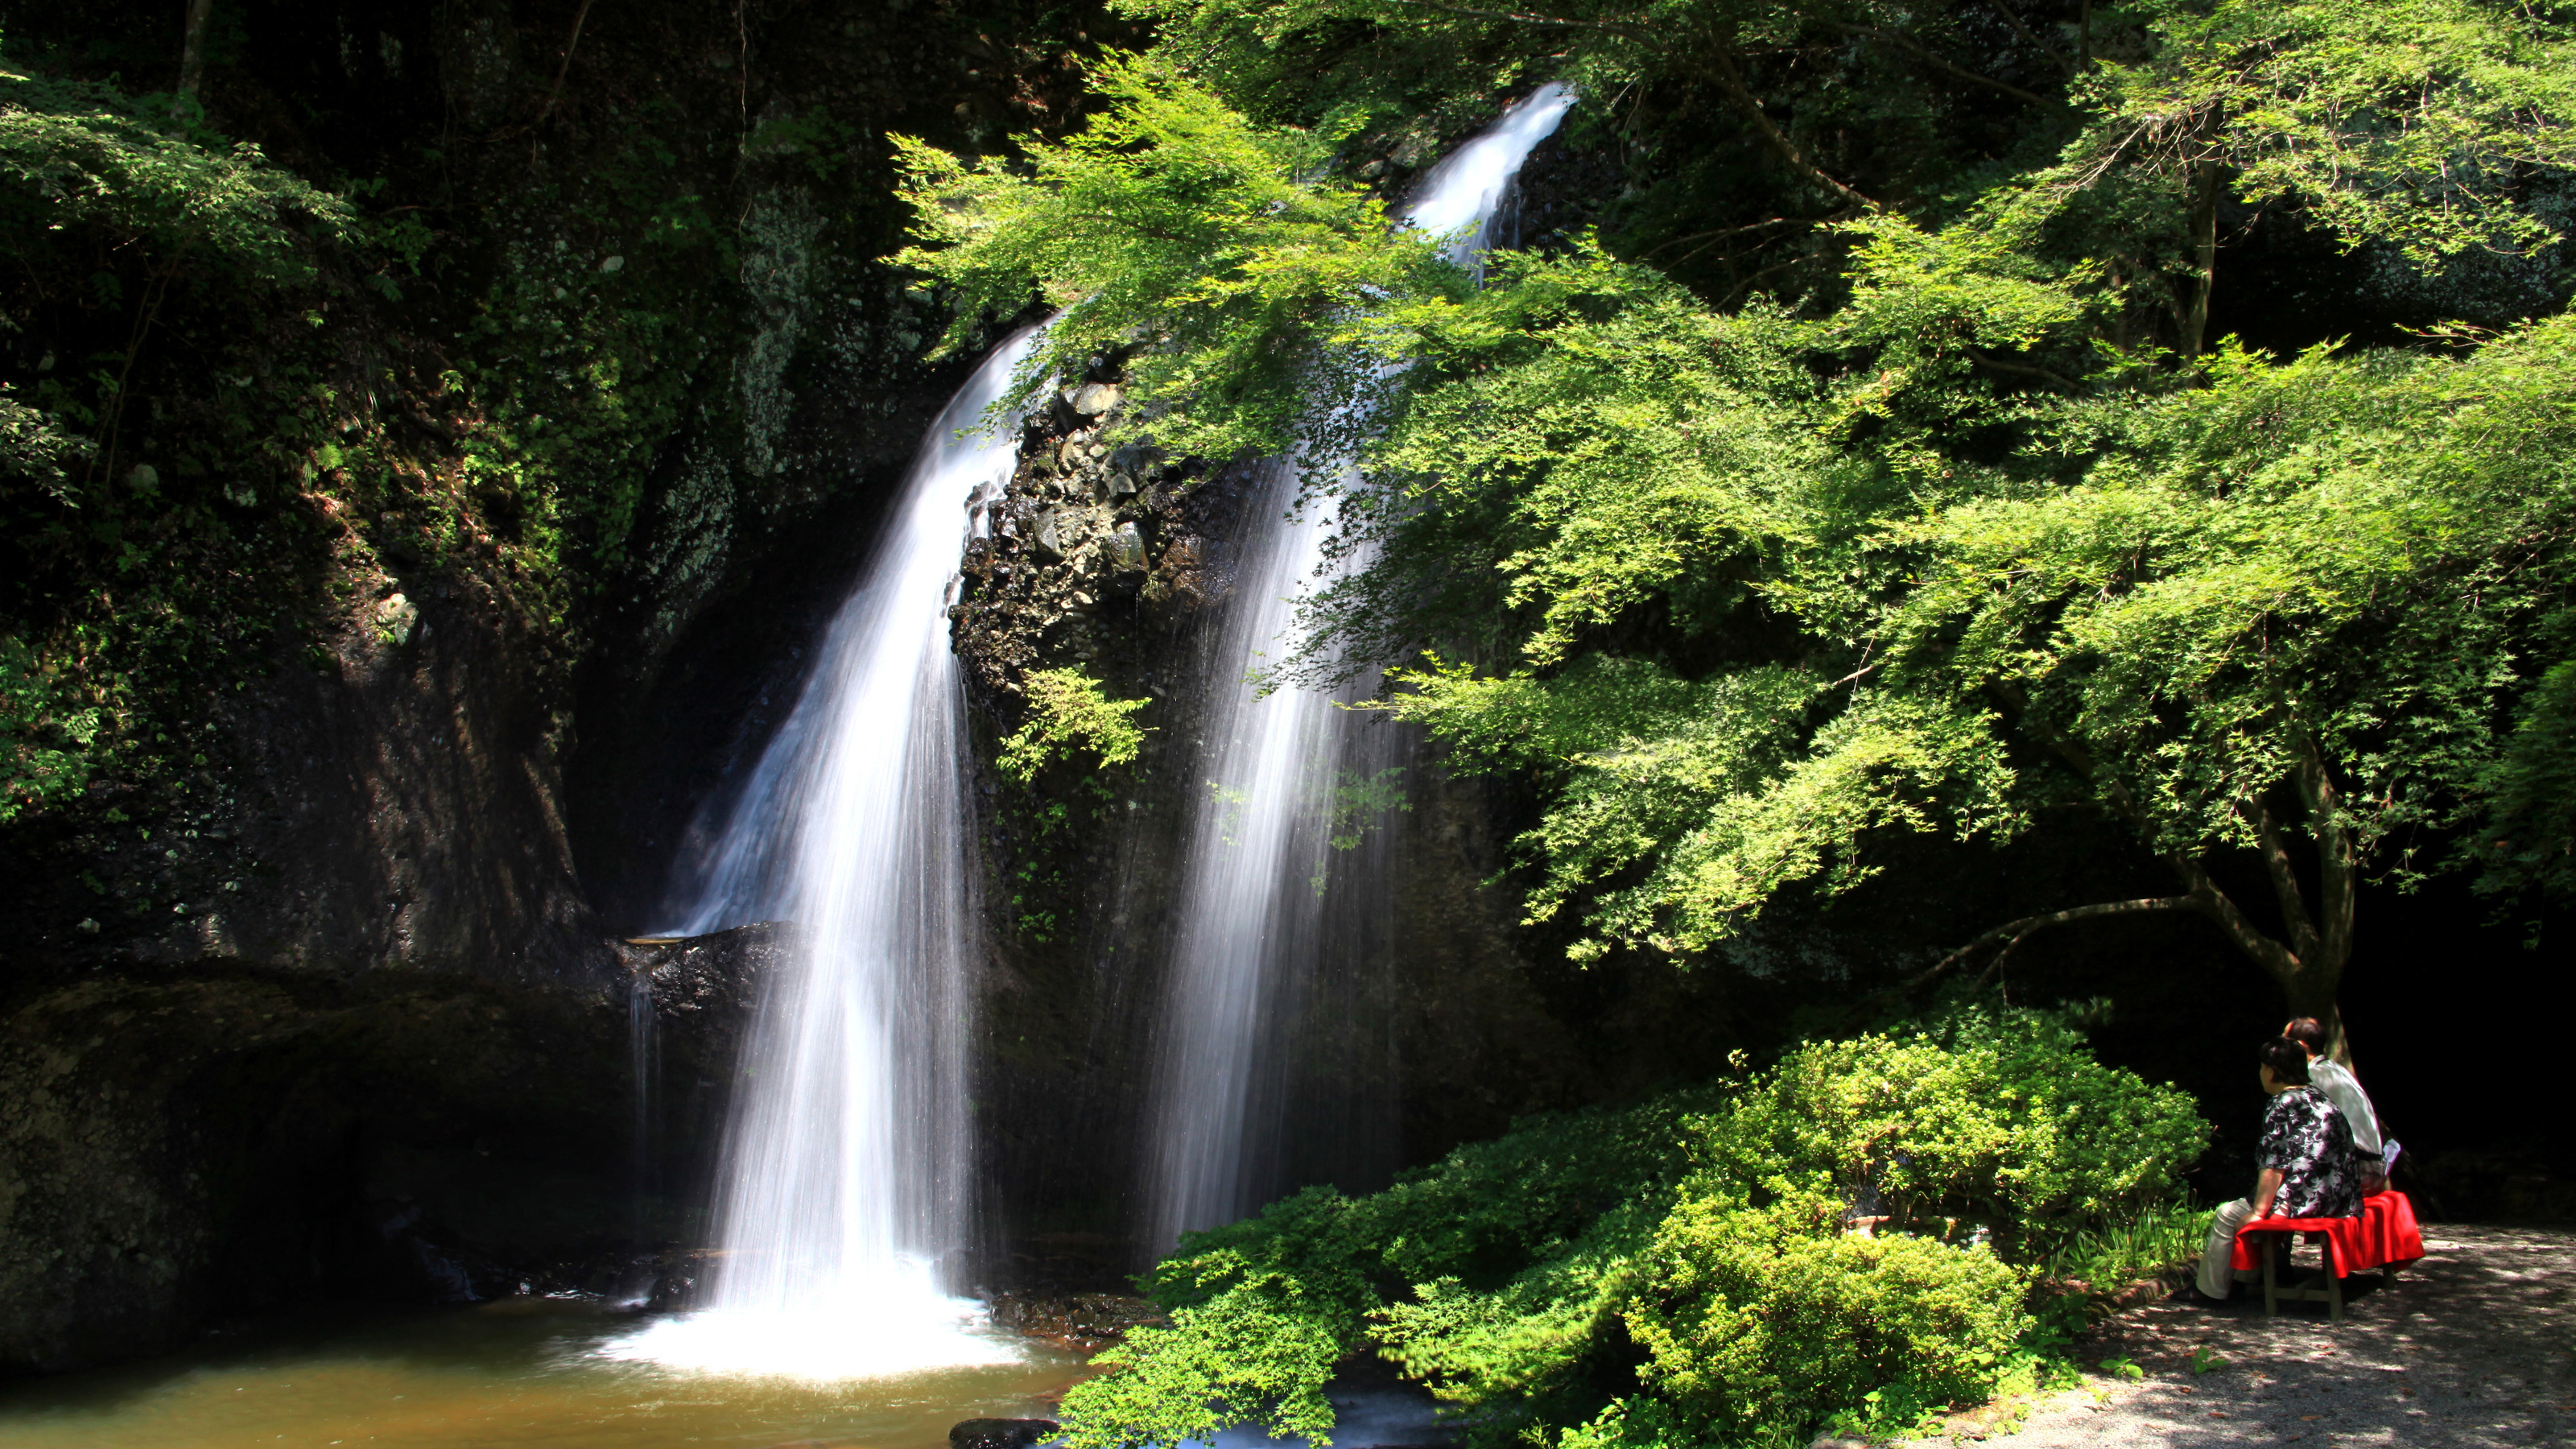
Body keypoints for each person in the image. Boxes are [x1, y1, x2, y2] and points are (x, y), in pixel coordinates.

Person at [2194, 1037, 2363, 1301]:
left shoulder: (2282, 1103)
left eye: (2262, 1067)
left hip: (2306, 1202)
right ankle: (2244, 1279)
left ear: (2272, 1071)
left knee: (2227, 1214)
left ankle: (2211, 1292)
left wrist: (2259, 1212)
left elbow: (2274, 1166)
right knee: (2247, 1210)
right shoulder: (2319, 1097)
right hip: (2339, 1198)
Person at [2284, 1016, 2394, 1193]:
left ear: (2301, 1046)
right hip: (2375, 1171)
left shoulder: (2311, 1077)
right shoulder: (2337, 1071)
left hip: (2353, 1173)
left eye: (2285, 1042)